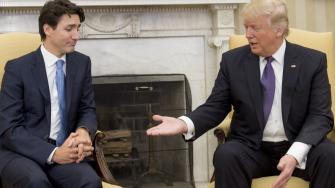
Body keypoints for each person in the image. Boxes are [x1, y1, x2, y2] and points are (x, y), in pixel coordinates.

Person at [147, 0, 335, 188]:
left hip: (299, 145)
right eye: (246, 27)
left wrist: (295, 154)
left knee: (329, 156)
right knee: (226, 155)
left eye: (254, 28)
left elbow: (321, 116)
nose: (247, 35)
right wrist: (184, 123)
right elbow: (216, 106)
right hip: (252, 148)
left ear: (278, 30)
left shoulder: (312, 61)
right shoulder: (233, 61)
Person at [0, 0, 101, 187]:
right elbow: (9, 128)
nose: (76, 35)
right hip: (20, 152)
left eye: (78, 28)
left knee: (90, 182)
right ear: (48, 29)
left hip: (65, 148)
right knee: (35, 181)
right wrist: (53, 153)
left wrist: (83, 131)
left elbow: (87, 108)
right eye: (69, 28)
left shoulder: (81, 63)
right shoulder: (17, 68)